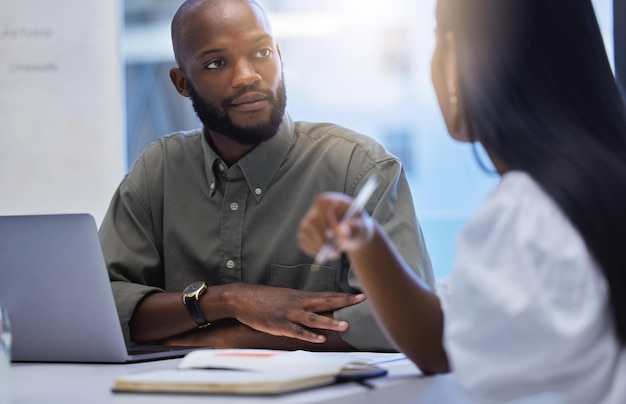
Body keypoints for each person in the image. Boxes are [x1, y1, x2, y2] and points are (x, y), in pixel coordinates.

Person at [298, 0, 626, 402]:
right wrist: (366, 241)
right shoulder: (586, 189)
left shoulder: (527, 214)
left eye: (439, 38)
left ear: (463, 59)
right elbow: (442, 341)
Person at [99, 0, 434, 352]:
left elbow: (407, 322)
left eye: (260, 52)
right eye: (216, 63)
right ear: (182, 82)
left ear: (279, 54)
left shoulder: (361, 169)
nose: (247, 76)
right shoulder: (158, 170)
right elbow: (105, 304)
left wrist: (237, 336)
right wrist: (228, 300)